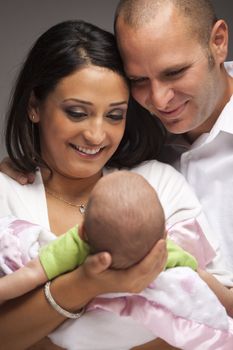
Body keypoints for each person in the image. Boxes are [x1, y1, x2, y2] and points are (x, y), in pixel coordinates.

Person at [0, 17, 231, 350]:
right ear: (35, 106)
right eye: (77, 112)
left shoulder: (157, 181)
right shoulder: (7, 193)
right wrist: (83, 283)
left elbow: (213, 313)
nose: (96, 135)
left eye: (114, 115)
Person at [114, 0, 233, 276]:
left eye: (174, 72)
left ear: (218, 42)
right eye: (139, 80)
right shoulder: (123, 134)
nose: (158, 100)